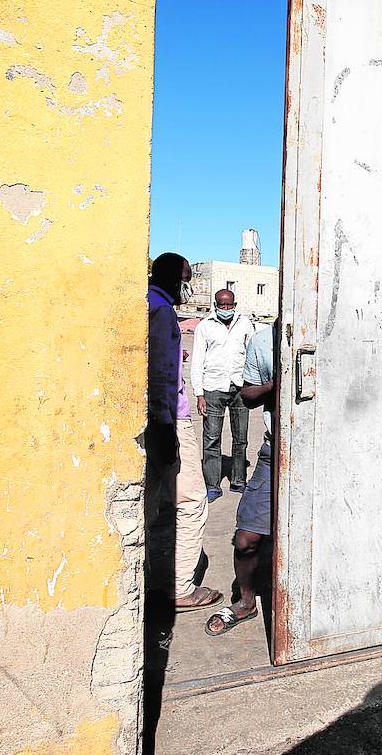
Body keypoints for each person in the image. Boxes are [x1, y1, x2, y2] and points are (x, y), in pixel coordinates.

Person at [147, 253, 221, 611]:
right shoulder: (161, 312)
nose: (187, 286)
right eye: (186, 278)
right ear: (175, 278)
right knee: (191, 501)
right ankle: (179, 588)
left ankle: (146, 574)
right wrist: (166, 432)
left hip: (156, 420)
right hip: (170, 421)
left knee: (153, 501)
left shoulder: (148, 304)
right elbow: (160, 375)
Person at [205, 322, 276, 636]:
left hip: (329, 451)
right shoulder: (262, 341)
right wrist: (275, 386)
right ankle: (246, 602)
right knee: (247, 539)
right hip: (276, 452)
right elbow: (247, 394)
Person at [190, 289, 256, 501]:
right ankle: (212, 485)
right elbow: (197, 361)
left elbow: (251, 353)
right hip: (213, 389)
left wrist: (252, 385)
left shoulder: (245, 324)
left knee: (241, 439)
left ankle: (238, 481)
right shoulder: (205, 326)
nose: (225, 309)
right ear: (215, 304)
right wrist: (199, 394)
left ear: (235, 304)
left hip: (239, 387)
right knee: (211, 439)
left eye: (229, 305)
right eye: (221, 305)